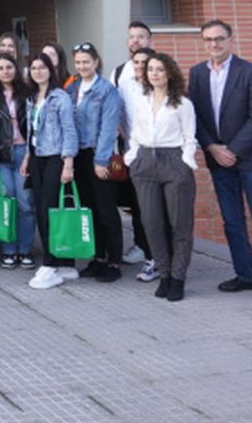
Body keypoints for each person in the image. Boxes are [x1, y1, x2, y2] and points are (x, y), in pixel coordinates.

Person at [189, 20, 252, 305]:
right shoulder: (196, 74)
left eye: (219, 39)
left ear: (230, 40)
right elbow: (194, 115)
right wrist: (211, 147)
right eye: (208, 40)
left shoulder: (251, 72)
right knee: (232, 222)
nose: (214, 45)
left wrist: (232, 149)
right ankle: (245, 276)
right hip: (218, 160)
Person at [129, 51, 197, 302]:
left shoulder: (182, 104)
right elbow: (135, 133)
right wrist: (132, 159)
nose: (155, 74)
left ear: (169, 73)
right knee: (152, 223)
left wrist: (185, 163)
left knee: (180, 224)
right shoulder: (142, 101)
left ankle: (178, 278)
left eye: (159, 69)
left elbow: (190, 138)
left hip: (173, 162)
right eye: (151, 70)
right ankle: (164, 273)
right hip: (145, 162)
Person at [67, 42, 124, 282]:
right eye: (78, 62)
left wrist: (101, 160)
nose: (82, 66)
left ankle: (113, 261)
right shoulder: (73, 88)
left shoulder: (107, 90)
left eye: (86, 62)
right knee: (89, 209)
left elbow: (109, 128)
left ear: (96, 62)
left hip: (97, 155)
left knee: (106, 209)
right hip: (78, 155)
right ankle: (98, 257)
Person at [23, 53, 77, 290]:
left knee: (49, 211)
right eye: (33, 68)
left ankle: (51, 263)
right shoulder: (32, 97)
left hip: (55, 158)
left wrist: (68, 162)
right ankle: (59, 261)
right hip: (37, 157)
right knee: (40, 208)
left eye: (42, 67)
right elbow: (31, 132)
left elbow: (69, 130)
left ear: (50, 70)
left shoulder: (60, 97)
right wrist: (27, 156)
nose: (38, 71)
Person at [109, 21, 155, 270]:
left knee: (156, 204)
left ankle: (158, 251)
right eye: (132, 37)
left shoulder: (162, 71)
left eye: (141, 36)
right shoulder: (119, 73)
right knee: (137, 203)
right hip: (130, 151)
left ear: (150, 40)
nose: (135, 41)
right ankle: (141, 245)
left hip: (158, 151)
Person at [0, 53, 34, 268]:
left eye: (9, 67)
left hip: (24, 153)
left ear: (16, 69)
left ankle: (25, 249)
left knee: (25, 204)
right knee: (7, 203)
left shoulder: (27, 93)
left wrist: (31, 154)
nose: (5, 71)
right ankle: (8, 250)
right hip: (1, 157)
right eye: (1, 68)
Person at [120, 47, 164, 283]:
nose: (139, 67)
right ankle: (151, 258)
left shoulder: (166, 92)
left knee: (161, 212)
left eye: (144, 63)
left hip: (164, 160)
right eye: (136, 63)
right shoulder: (127, 85)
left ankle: (162, 260)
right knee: (144, 210)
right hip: (136, 158)